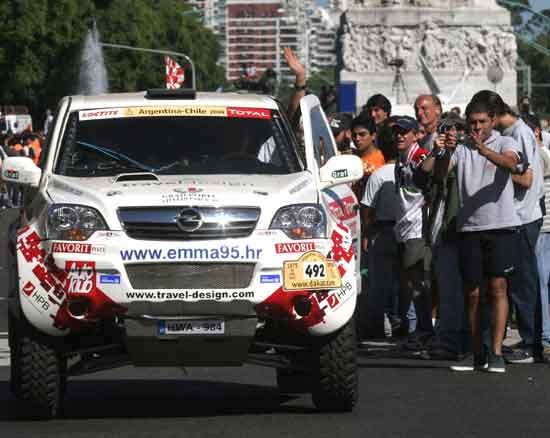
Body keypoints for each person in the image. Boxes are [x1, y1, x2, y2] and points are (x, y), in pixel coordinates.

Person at [424, 99, 521, 373]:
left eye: (482, 122)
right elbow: (438, 174)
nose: (477, 127)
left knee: (498, 287)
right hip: (469, 228)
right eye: (473, 122)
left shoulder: (504, 142)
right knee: (473, 292)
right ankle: (478, 351)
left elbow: (511, 164)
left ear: (492, 121)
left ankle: (498, 351)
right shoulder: (462, 148)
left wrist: (483, 149)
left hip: (501, 225)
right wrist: (442, 152)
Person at [418, 113, 469, 360]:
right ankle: (448, 338)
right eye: (447, 130)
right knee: (447, 287)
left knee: (462, 289)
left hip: (462, 227)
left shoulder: (470, 152)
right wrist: (438, 151)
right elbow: (425, 177)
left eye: (457, 130)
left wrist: (456, 148)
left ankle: (459, 340)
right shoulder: (441, 152)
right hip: (441, 228)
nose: (451, 134)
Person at [392, 116, 433, 348]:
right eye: (397, 131)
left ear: (416, 135)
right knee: (410, 281)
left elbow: (430, 180)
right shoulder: (401, 158)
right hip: (403, 226)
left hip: (417, 226)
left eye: (405, 131)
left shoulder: (419, 157)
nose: (399, 135)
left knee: (418, 281)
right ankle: (418, 327)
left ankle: (425, 330)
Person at [360, 121, 400, 338]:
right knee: (403, 282)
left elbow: (367, 207)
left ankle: (377, 326)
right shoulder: (409, 171)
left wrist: (367, 231)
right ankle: (402, 323)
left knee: (380, 283)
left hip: (384, 231)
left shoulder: (379, 175)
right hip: (405, 231)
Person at [523, 113, 550, 361]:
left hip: (542, 226)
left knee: (539, 283)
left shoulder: (540, 154)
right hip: (540, 225)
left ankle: (543, 338)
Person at [350, 113, 385, 200]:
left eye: (362, 134)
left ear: (373, 136)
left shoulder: (383, 159)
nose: (357, 139)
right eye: (354, 135)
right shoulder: (350, 159)